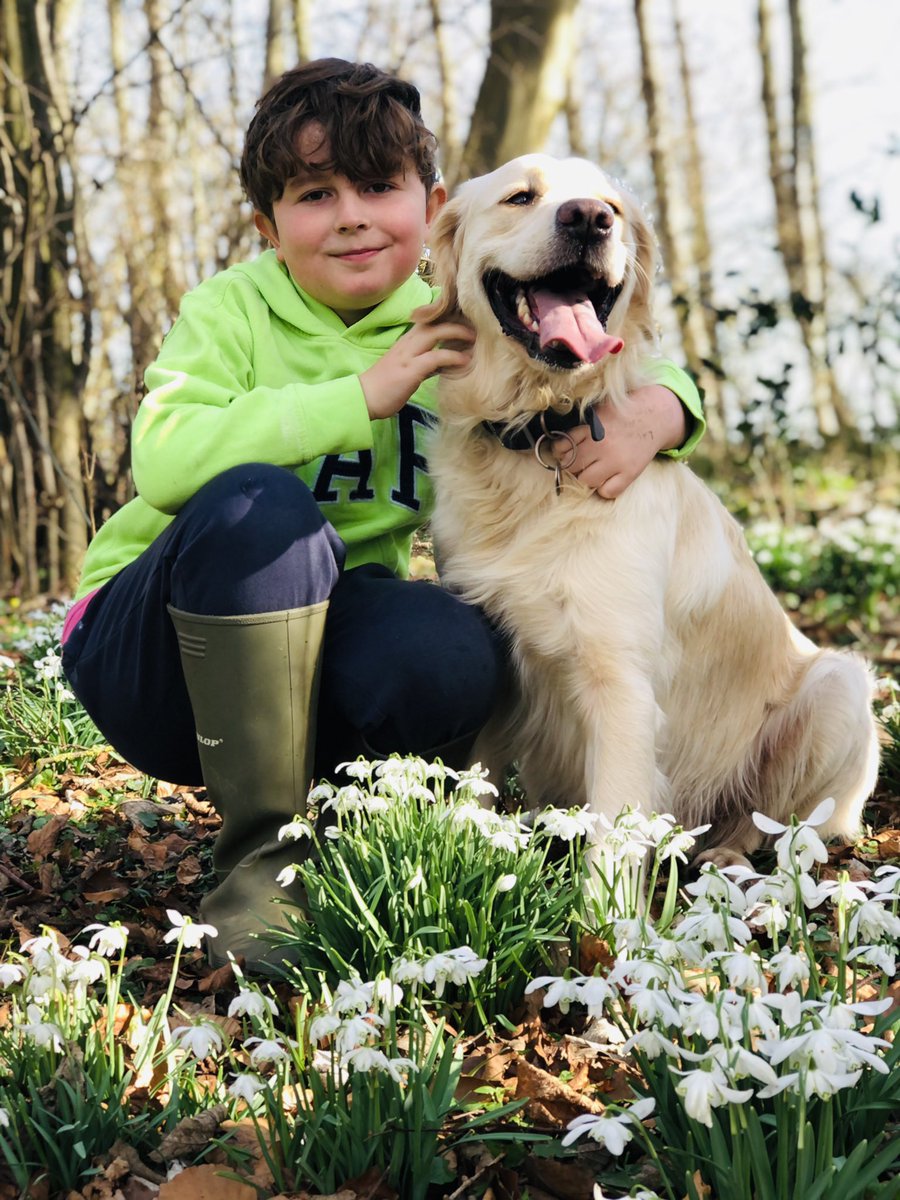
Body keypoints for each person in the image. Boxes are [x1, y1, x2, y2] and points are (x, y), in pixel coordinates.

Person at [61, 58, 706, 969]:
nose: (354, 215)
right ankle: (261, 873)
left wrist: (667, 407)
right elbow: (163, 460)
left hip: (312, 642)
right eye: (316, 194)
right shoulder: (231, 311)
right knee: (261, 505)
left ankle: (369, 833)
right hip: (151, 648)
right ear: (267, 226)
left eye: (378, 186)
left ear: (434, 211)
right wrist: (365, 391)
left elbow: (610, 345)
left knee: (453, 641)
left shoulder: (464, 312)